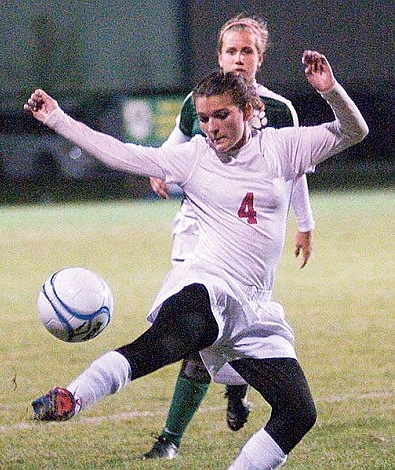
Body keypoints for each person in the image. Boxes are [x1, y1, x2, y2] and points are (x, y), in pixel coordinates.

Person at [24, 50, 368, 469]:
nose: (210, 128)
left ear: (249, 109)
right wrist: (58, 118)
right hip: (208, 283)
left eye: (220, 116)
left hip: (254, 308)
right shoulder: (194, 158)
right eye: (203, 119)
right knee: (169, 340)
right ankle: (73, 396)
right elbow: (121, 153)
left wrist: (330, 91)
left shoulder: (282, 148)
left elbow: (354, 130)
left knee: (298, 412)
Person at [145, 14, 316, 459]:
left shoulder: (279, 111)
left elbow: (294, 172)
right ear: (219, 56)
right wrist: (159, 170)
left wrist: (305, 222)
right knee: (195, 324)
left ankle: (189, 422)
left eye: (247, 51)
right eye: (230, 51)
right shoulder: (196, 102)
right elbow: (172, 146)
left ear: (260, 58)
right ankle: (172, 438)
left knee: (216, 329)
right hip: (199, 228)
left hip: (250, 235)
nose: (238, 59)